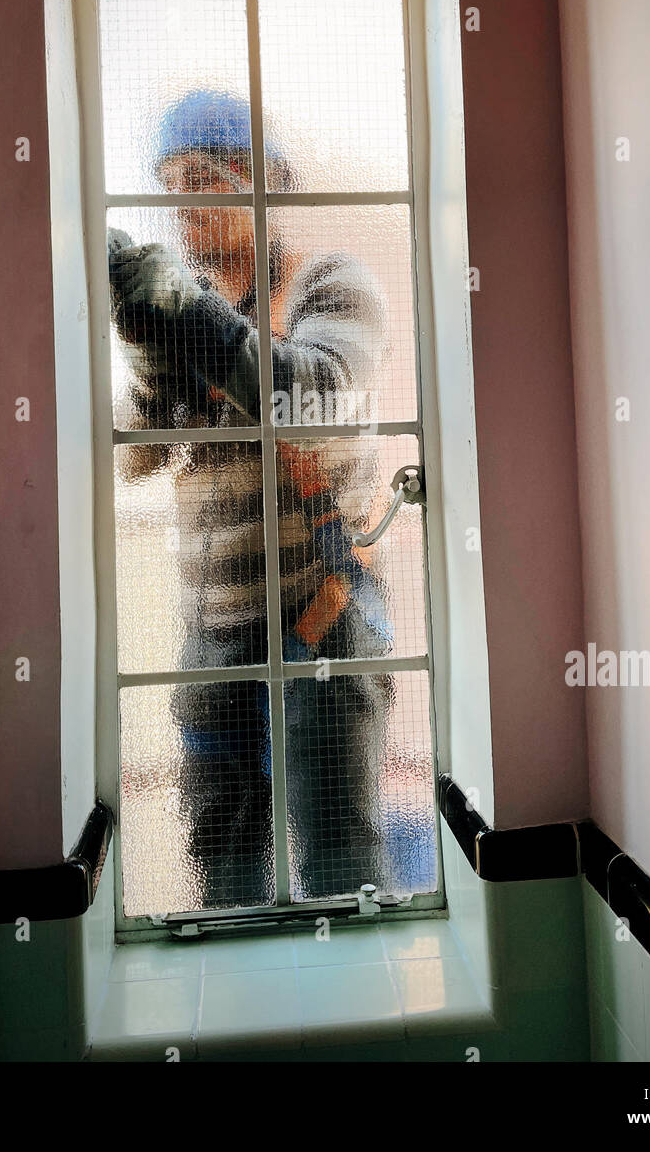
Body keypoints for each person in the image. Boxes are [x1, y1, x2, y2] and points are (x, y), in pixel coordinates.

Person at [108, 89, 395, 910]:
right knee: (225, 877)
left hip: (319, 621)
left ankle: (355, 1030)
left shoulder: (332, 284)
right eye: (170, 183)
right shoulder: (195, 307)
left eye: (203, 177)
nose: (182, 203)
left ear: (264, 182)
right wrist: (145, 343)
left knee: (342, 873)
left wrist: (183, 315)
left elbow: (307, 392)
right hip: (213, 632)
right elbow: (142, 454)